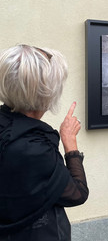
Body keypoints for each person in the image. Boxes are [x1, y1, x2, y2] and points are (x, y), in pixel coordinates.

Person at [0, 44, 89, 241]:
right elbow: (77, 193)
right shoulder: (33, 147)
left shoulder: (8, 127)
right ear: (45, 91)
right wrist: (69, 141)